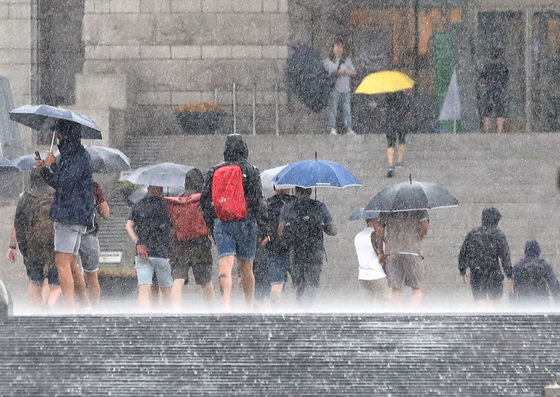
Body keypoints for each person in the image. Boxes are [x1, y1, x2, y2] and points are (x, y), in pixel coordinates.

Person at [200, 134, 266, 311]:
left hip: (223, 222)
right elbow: (258, 200)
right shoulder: (251, 170)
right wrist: (263, 226)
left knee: (225, 265)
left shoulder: (214, 171)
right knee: (246, 267)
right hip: (246, 222)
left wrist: (211, 223)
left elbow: (204, 200)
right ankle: (249, 306)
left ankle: (226, 304)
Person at [35, 119, 94, 312]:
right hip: (77, 215)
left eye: (58, 132)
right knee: (71, 262)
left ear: (62, 134)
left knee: (62, 263)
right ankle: (84, 305)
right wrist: (45, 169)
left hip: (69, 215)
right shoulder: (76, 154)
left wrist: (52, 165)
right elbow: (61, 182)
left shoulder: (75, 156)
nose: (57, 135)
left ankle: (70, 309)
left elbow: (65, 183)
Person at [7, 170, 61, 310]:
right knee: (56, 285)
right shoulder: (57, 195)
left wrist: (15, 247)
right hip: (54, 243)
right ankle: (49, 307)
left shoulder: (25, 198)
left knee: (35, 281)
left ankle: (35, 312)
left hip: (33, 244)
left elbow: (18, 225)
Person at [278, 186, 336, 305]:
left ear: (295, 191)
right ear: (310, 191)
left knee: (300, 284)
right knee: (312, 283)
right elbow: (333, 230)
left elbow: (280, 231)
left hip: (296, 249)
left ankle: (301, 310)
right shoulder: (319, 206)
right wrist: (320, 224)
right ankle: (307, 308)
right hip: (315, 249)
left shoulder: (288, 207)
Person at [166, 168, 214, 309]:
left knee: (178, 279)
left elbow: (170, 224)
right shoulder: (202, 199)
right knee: (206, 281)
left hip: (179, 245)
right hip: (200, 244)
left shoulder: (177, 200)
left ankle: (175, 310)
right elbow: (210, 219)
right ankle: (211, 311)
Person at [125, 185, 173, 309]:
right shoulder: (168, 205)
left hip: (143, 254)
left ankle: (144, 320)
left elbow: (128, 226)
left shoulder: (139, 205)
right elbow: (174, 228)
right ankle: (167, 320)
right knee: (167, 292)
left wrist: (138, 243)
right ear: (161, 190)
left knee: (144, 290)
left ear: (148, 190)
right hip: (162, 254)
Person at [458, 207, 512, 306]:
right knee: (497, 302)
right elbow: (505, 257)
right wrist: (509, 275)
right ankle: (499, 321)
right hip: (494, 272)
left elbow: (463, 252)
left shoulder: (473, 234)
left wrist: (463, 271)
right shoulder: (499, 234)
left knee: (479, 301)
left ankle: (479, 320)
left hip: (477, 272)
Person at [378, 210, 429, 309]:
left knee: (396, 289)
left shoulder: (387, 207)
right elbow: (425, 226)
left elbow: (380, 230)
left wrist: (381, 251)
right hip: (412, 251)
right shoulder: (419, 205)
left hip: (393, 251)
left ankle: (396, 317)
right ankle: (412, 315)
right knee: (416, 289)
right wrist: (416, 239)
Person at [78, 182, 110, 306]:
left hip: (68, 235)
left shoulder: (64, 183)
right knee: (92, 275)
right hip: (88, 234)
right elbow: (106, 213)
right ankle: (94, 309)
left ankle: (81, 306)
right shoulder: (93, 186)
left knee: (73, 273)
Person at [265, 186, 296, 304]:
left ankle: (275, 313)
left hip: (274, 248)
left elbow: (263, 223)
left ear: (274, 188)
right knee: (297, 284)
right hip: (294, 248)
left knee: (276, 284)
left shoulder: (268, 203)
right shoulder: (295, 202)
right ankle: (298, 311)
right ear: (288, 187)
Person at [353, 211, 390, 306]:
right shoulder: (376, 236)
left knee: (366, 308)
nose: (380, 223)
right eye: (378, 221)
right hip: (378, 276)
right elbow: (384, 254)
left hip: (363, 277)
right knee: (387, 307)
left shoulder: (358, 236)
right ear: (373, 221)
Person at [323, 39, 357, 135]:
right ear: (332, 48)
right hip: (334, 88)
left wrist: (344, 72)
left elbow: (354, 72)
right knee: (333, 108)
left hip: (346, 89)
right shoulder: (328, 61)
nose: (338, 49)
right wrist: (333, 73)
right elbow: (323, 74)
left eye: (340, 47)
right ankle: (332, 128)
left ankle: (348, 128)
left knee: (347, 109)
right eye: (336, 46)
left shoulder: (347, 60)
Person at [512, 240, 560, 307]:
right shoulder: (544, 265)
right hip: (542, 303)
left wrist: (512, 303)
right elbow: (554, 285)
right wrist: (557, 302)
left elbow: (513, 287)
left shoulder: (518, 265)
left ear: (525, 251)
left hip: (523, 303)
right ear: (538, 251)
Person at [384, 91, 412, 178]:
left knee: (390, 143)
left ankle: (390, 165)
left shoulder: (387, 95)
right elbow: (408, 111)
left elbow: (383, 108)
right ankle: (399, 162)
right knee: (402, 140)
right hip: (401, 120)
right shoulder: (403, 95)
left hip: (390, 121)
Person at [481, 48, 509, 133]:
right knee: (500, 112)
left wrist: (489, 81)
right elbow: (506, 79)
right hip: (500, 91)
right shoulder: (504, 68)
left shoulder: (487, 67)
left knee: (487, 112)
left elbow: (483, 79)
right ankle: (499, 131)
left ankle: (486, 130)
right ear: (499, 57)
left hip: (490, 91)